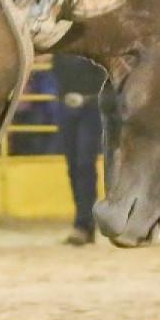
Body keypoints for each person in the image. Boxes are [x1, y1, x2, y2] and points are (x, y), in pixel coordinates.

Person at [51, 53, 104, 245]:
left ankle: (84, 223)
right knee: (74, 166)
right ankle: (83, 223)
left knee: (84, 164)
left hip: (91, 106)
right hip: (67, 106)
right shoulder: (65, 45)